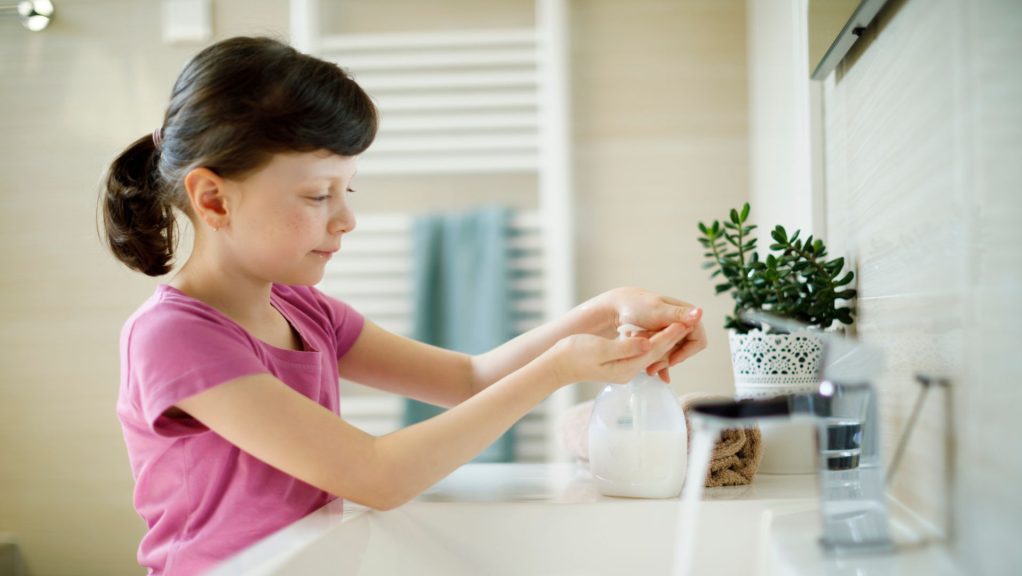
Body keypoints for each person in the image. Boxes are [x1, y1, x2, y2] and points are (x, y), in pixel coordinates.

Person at [100, 36, 707, 575]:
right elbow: (375, 475)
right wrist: (558, 369)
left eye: (347, 190)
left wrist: (605, 311)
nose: (346, 218)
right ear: (214, 200)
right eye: (317, 195)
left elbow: (468, 379)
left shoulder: (305, 312)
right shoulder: (175, 338)